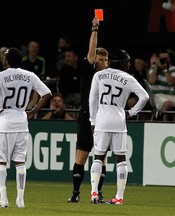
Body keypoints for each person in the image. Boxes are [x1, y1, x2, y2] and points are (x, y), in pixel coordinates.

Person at [0, 47, 51, 208]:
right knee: (20, 162)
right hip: (21, 121)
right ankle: (20, 200)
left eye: (4, 56)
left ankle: (4, 199)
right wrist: (33, 111)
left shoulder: (0, 76)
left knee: (1, 161)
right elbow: (47, 94)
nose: (2, 59)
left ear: (7, 60)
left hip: (4, 121)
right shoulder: (30, 75)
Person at [89, 49, 149, 204]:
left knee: (98, 157)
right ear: (120, 63)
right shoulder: (128, 78)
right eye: (127, 61)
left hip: (102, 120)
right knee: (121, 160)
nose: (129, 64)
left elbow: (92, 100)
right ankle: (119, 197)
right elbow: (145, 96)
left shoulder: (99, 75)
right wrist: (132, 112)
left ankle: (94, 193)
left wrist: (92, 120)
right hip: (119, 120)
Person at [68, 17, 109, 203]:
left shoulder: (110, 76)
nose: (104, 62)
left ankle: (98, 193)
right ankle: (76, 193)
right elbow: (91, 53)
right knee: (82, 157)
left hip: (104, 120)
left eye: (106, 59)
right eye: (101, 59)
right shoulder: (88, 69)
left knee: (101, 159)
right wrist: (94, 29)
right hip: (86, 118)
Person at [147, 48, 175, 121]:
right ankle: (165, 123)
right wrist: (156, 67)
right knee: (167, 103)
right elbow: (151, 81)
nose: (164, 60)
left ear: (169, 59)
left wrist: (165, 69)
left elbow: (170, 82)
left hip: (171, 96)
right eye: (162, 58)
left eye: (166, 58)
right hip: (157, 96)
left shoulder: (173, 69)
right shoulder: (153, 67)